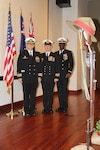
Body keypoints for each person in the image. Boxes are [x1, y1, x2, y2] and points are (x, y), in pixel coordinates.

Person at [17, 37, 41, 116]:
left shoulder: (37, 54)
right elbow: (19, 65)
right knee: (26, 95)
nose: (30, 45)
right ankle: (26, 110)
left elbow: (40, 67)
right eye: (28, 44)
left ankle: (32, 110)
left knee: (33, 95)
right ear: (26, 45)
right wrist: (19, 76)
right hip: (26, 78)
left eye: (32, 44)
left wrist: (39, 76)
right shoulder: (22, 54)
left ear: (34, 45)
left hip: (34, 78)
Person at [39, 39, 60, 114]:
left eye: (49, 46)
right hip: (44, 78)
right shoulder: (41, 56)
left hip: (51, 78)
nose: (47, 47)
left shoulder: (54, 56)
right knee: (45, 93)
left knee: (50, 93)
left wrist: (56, 76)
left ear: (51, 47)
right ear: (44, 46)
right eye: (46, 46)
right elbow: (40, 67)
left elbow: (57, 66)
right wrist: (40, 76)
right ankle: (45, 108)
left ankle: (50, 107)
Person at [55, 37, 74, 112]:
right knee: (59, 90)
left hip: (65, 75)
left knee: (64, 90)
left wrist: (69, 72)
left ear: (65, 45)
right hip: (58, 75)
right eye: (60, 44)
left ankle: (65, 106)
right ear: (58, 44)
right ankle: (60, 106)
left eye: (63, 44)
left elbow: (71, 63)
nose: (61, 45)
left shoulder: (68, 53)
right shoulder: (56, 53)